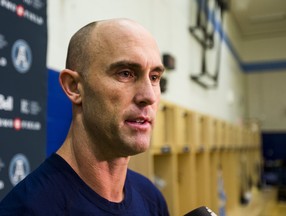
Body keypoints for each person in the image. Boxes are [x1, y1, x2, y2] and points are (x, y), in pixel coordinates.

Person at [0, 18, 169, 215]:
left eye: (155, 77)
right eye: (125, 73)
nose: (148, 96)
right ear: (74, 87)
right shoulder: (28, 209)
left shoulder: (151, 198)